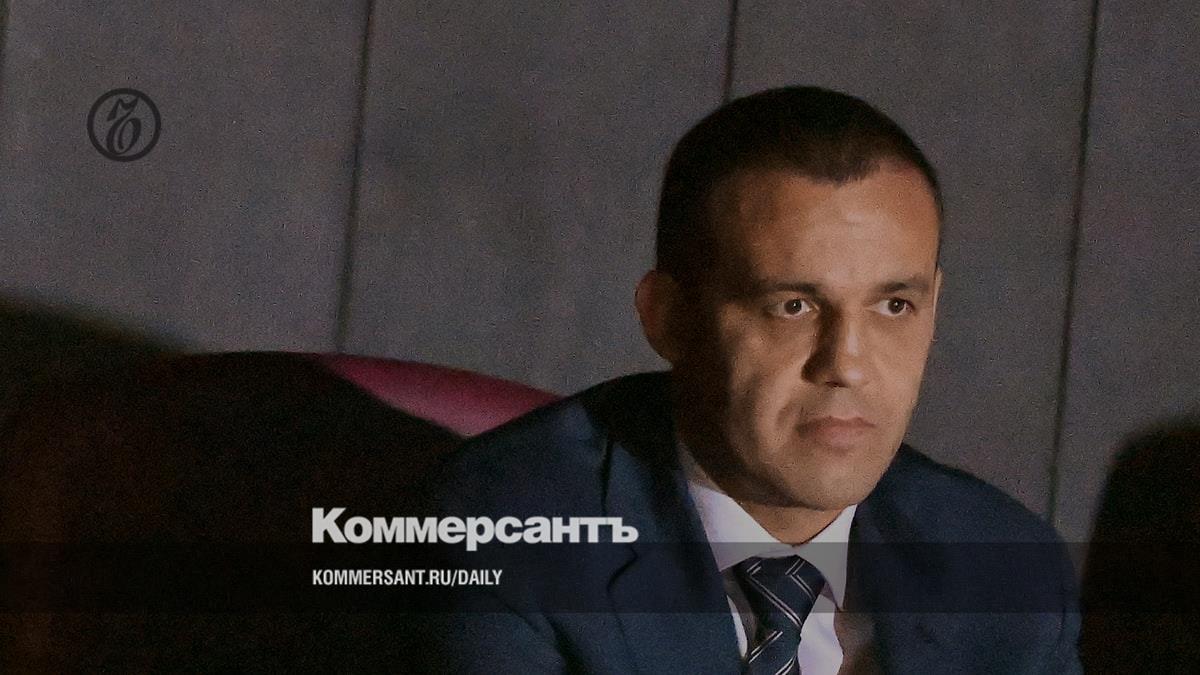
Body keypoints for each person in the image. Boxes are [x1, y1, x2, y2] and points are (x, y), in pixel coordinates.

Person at [423, 86, 1081, 674]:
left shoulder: (1007, 570)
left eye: (893, 306)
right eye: (793, 306)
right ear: (669, 318)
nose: (847, 364)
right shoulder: (507, 541)